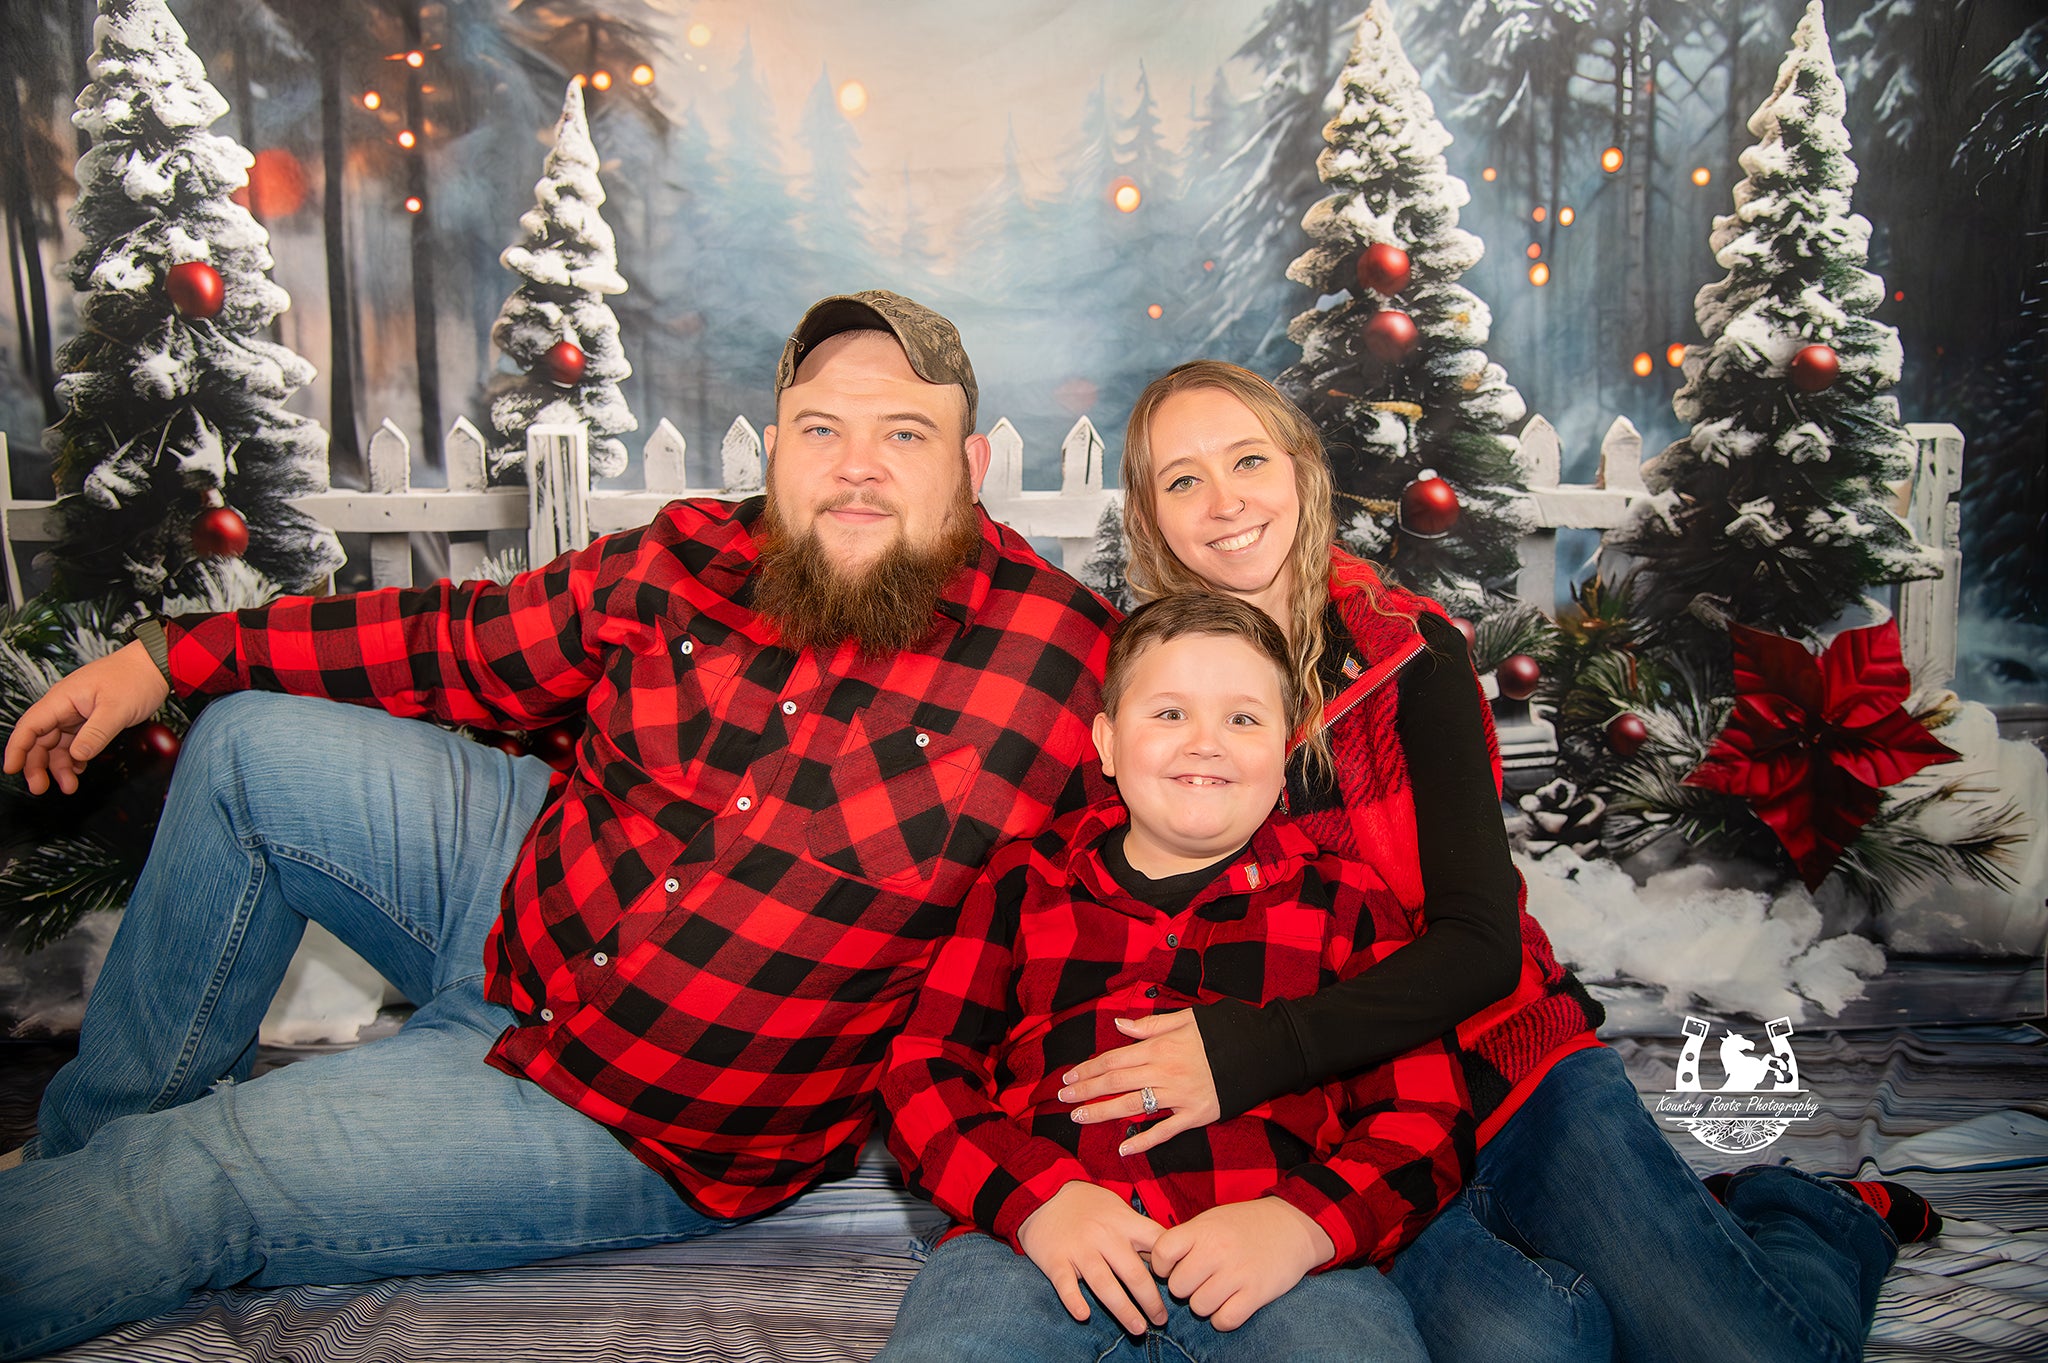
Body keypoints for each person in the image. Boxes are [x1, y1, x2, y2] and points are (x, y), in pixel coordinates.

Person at [0, 291, 1118, 1361]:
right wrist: (169, 655)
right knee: (247, 745)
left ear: (970, 468)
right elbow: (462, 640)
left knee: (188, 1178)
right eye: (819, 426)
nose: (856, 464)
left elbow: (1173, 860)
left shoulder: (1065, 665)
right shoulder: (689, 555)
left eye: (905, 433)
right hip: (526, 900)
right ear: (776, 449)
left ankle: (104, 1198)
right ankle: (80, 1152)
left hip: (641, 1117)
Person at [1054, 360, 1940, 1363]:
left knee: (1749, 1352)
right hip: (1338, 1123)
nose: (1223, 502)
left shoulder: (1406, 657)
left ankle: (1803, 1215)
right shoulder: (1142, 699)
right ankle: (1681, 1230)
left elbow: (1476, 943)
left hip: (1504, 1067)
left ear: (1300, 468)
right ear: (1146, 512)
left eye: (1246, 459)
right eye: (1181, 479)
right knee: (1540, 1343)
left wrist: (1248, 1050)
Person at [876, 593, 1469, 1363]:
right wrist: (1039, 1200)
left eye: (1244, 719)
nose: (1206, 744)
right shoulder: (1023, 881)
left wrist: (1300, 1224)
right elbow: (922, 1068)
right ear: (1108, 742)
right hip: (1035, 1254)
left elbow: (1426, 1114)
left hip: (1277, 1270)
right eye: (1168, 714)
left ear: (1286, 751)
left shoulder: (1349, 902)